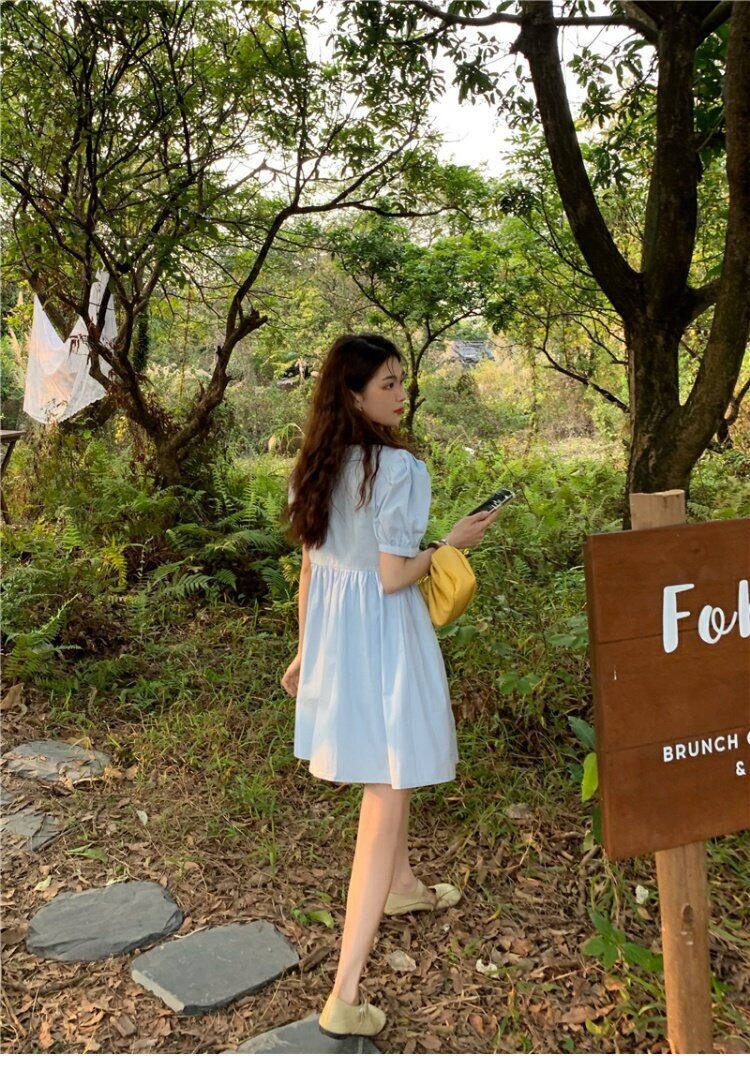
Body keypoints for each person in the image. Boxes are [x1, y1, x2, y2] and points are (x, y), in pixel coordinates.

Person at [280, 333, 502, 1040]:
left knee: (388, 773)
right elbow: (393, 575)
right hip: (385, 645)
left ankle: (402, 885)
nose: (402, 394)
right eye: (387, 383)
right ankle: (345, 991)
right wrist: (452, 543)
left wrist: (306, 651)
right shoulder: (398, 468)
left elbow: (311, 571)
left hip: (340, 645)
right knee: (386, 790)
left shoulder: (314, 468)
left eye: (401, 379)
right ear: (353, 395)